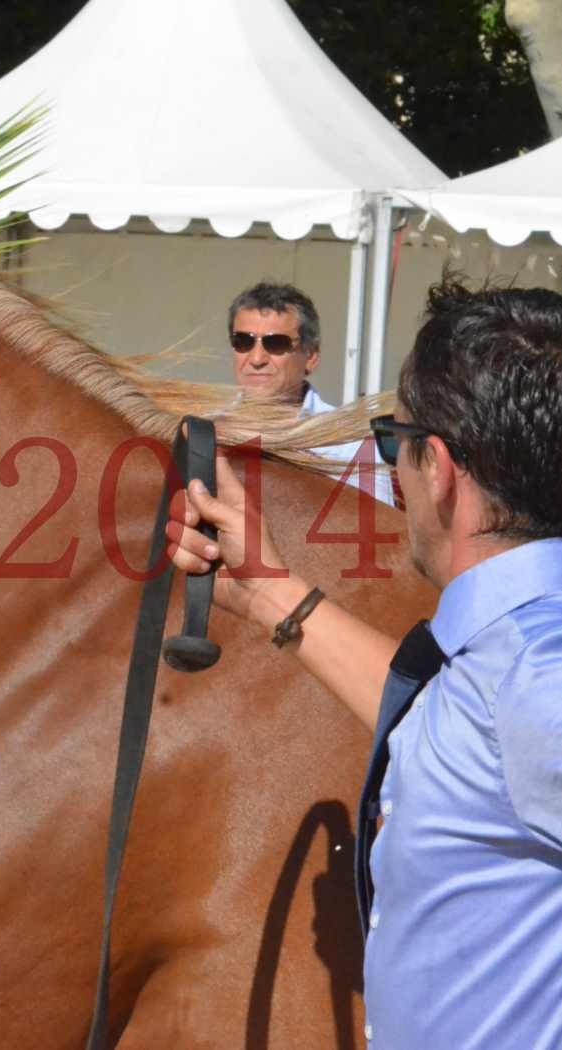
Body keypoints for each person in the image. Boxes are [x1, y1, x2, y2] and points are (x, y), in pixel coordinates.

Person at [170, 280, 562, 1048]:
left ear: (438, 468)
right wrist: (266, 593)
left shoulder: (533, 671)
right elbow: (444, 731)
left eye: (394, 441)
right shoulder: (507, 653)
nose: (393, 472)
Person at [227, 282, 395, 504]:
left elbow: (373, 531)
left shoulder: (350, 444)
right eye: (244, 341)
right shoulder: (205, 430)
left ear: (311, 356)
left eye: (276, 343)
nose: (257, 359)